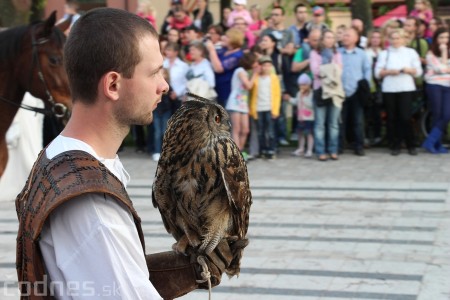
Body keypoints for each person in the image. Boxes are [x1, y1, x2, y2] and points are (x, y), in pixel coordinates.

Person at [15, 8, 231, 299]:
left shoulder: (57, 156)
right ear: (113, 85)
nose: (164, 85)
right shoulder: (93, 205)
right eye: (154, 72)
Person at [375, 28, 423, 156]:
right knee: (392, 118)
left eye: (398, 38)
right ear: (389, 39)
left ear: (403, 39)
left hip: (406, 88)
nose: (395, 41)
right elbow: (377, 73)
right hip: (389, 88)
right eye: (393, 38)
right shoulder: (385, 54)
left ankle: (410, 143)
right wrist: (390, 72)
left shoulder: (411, 52)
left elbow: (418, 71)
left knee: (406, 117)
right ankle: (395, 144)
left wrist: (409, 70)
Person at [310, 30, 344, 161]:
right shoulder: (315, 53)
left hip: (335, 91)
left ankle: (333, 150)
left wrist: (327, 70)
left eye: (332, 38)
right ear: (322, 39)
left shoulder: (337, 53)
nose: (330, 40)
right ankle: (320, 151)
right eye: (327, 37)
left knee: (333, 123)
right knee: (320, 124)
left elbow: (339, 71)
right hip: (320, 90)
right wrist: (331, 70)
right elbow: (316, 71)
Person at [339, 27, 372, 156]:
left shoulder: (361, 54)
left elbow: (367, 70)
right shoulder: (338, 53)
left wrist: (364, 84)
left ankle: (359, 145)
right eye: (344, 35)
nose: (344, 37)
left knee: (358, 121)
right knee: (340, 121)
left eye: (348, 35)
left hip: (356, 92)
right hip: (340, 91)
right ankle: (339, 145)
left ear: (355, 39)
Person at [226, 52, 259, 160]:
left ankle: (239, 150)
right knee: (237, 129)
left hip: (243, 103)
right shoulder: (240, 71)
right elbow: (248, 85)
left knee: (245, 130)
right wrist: (255, 74)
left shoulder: (245, 72)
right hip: (235, 102)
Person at [422, 28, 450, 153]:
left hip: (448, 85)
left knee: (446, 115)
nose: (444, 40)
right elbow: (440, 69)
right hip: (434, 85)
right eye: (441, 37)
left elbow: (441, 69)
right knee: (437, 115)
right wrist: (444, 53)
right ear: (436, 39)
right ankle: (436, 144)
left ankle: (430, 142)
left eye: (446, 37)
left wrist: (443, 68)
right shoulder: (430, 54)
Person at [249, 55, 281, 159]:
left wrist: (275, 110)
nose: (266, 68)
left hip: (269, 107)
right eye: (264, 65)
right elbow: (251, 92)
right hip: (258, 108)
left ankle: (271, 149)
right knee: (260, 131)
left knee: (271, 131)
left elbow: (277, 95)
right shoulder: (256, 78)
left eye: (268, 65)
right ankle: (263, 150)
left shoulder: (274, 78)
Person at [206, 28, 244, 107]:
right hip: (216, 90)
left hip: (228, 92)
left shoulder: (238, 55)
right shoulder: (223, 50)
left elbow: (219, 68)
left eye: (227, 37)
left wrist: (212, 50)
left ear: (234, 39)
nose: (223, 37)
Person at [364, 29, 384, 147]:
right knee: (367, 113)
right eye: (373, 37)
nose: (375, 40)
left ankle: (378, 136)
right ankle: (367, 136)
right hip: (369, 86)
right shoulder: (366, 53)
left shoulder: (384, 52)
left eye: (378, 37)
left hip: (380, 87)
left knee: (378, 113)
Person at [290, 74, 314, 158]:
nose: (302, 87)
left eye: (304, 85)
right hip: (300, 118)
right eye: (300, 85)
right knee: (300, 133)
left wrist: (304, 98)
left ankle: (309, 150)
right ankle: (301, 148)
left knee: (309, 134)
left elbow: (311, 105)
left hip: (309, 118)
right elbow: (296, 102)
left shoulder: (311, 94)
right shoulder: (298, 93)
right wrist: (289, 99)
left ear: (309, 85)